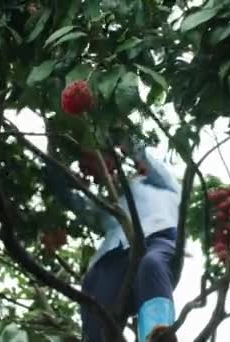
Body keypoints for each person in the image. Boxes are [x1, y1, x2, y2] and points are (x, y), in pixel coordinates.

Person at [44, 141, 181, 342]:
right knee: (96, 303)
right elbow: (73, 201)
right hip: (111, 257)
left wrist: (118, 137)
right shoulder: (107, 205)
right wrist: (58, 171)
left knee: (151, 264)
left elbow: (142, 156)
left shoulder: (162, 184)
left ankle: (156, 333)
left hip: (156, 238)